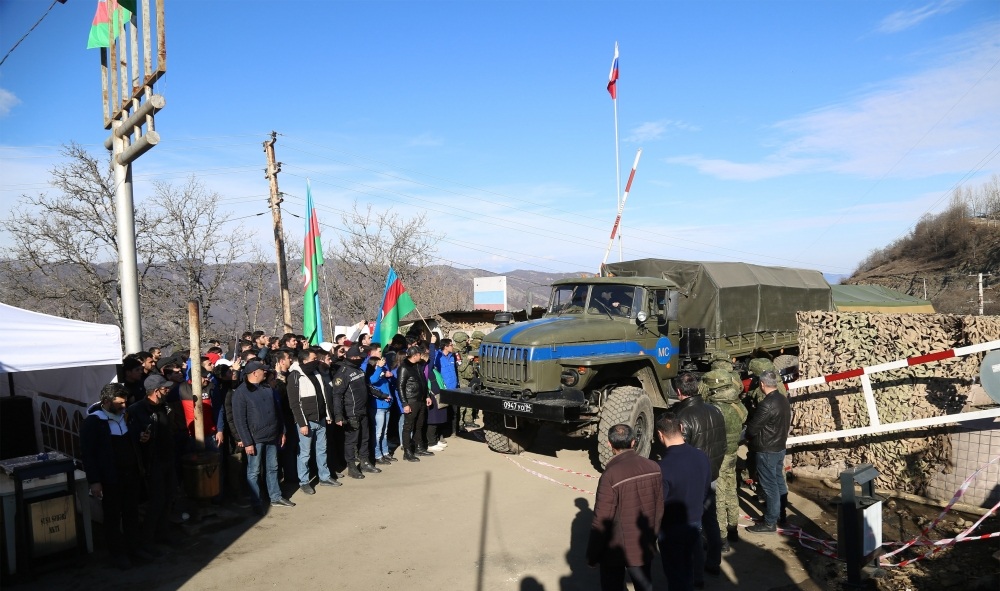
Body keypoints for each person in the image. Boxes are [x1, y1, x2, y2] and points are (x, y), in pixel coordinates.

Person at [81, 383, 152, 569]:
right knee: (113, 517)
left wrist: (142, 439)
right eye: (120, 402)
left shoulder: (126, 418)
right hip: (111, 478)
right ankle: (117, 554)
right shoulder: (93, 422)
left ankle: (134, 548)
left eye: (125, 402)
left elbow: (134, 439)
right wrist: (95, 481)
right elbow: (88, 454)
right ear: (106, 402)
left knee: (131, 513)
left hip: (131, 474)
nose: (124, 406)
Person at [586, 424, 663, 591]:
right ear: (633, 442)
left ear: (609, 444)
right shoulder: (654, 468)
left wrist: (593, 556)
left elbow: (601, 520)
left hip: (615, 550)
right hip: (643, 545)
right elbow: (659, 509)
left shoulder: (610, 476)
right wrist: (652, 537)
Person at [668, 372, 727, 583]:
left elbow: (680, 452)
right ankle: (714, 561)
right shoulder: (715, 410)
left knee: (692, 524)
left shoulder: (682, 418)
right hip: (713, 473)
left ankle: (695, 572)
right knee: (711, 520)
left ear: (678, 391)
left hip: (694, 477)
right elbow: (723, 444)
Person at [655, 414, 712, 591]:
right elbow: (706, 489)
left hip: (672, 528)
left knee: (676, 574)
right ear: (681, 428)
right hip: (695, 521)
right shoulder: (701, 456)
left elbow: (659, 504)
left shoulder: (663, 467)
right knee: (688, 564)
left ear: (660, 435)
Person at [231, 360, 294, 514]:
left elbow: (277, 412)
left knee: (273, 467)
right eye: (263, 370)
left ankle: (275, 496)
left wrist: (282, 431)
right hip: (255, 439)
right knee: (254, 471)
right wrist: (247, 442)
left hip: (272, 435)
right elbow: (240, 420)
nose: (265, 372)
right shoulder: (241, 392)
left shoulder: (267, 388)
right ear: (254, 373)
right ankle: (256, 502)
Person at [127, 374, 177, 552]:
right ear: (156, 391)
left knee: (169, 498)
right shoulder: (136, 410)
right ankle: (147, 541)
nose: (168, 390)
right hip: (151, 462)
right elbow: (130, 437)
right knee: (156, 501)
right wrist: (141, 437)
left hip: (168, 459)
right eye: (165, 388)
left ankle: (163, 533)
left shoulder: (165, 406)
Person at [702, 369, 748, 551]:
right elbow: (744, 418)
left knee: (719, 496)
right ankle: (733, 528)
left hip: (720, 456)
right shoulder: (736, 404)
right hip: (732, 453)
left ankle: (722, 539)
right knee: (731, 489)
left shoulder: (716, 408)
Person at [286, 349, 341, 493]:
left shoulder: (317, 374)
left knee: (322, 450)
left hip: (321, 419)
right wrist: (302, 423)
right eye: (313, 358)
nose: (317, 361)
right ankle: (304, 481)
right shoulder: (295, 377)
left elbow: (323, 396)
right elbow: (295, 403)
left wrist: (328, 415)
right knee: (305, 453)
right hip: (307, 422)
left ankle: (324, 477)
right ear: (304, 361)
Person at [745, 370, 791, 533]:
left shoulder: (767, 404)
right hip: (779, 447)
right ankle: (781, 516)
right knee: (779, 482)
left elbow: (752, 429)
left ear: (762, 384)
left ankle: (770, 522)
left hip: (766, 450)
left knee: (770, 486)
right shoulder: (783, 399)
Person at [331, 345, 381, 478]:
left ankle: (364, 462)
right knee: (351, 441)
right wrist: (338, 415)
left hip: (363, 410)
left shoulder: (359, 370)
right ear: (353, 358)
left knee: (365, 438)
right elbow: (337, 395)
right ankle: (352, 467)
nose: (361, 360)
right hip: (351, 412)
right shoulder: (342, 373)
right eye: (359, 357)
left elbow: (367, 387)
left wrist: (381, 395)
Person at [398, 345, 433, 461]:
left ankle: (419, 447)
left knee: (419, 425)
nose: (421, 356)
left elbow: (423, 381)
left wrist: (427, 395)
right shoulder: (404, 368)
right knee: (408, 426)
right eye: (419, 354)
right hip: (411, 399)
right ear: (414, 356)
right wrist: (405, 403)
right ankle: (407, 451)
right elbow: (400, 386)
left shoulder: (418, 365)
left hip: (421, 398)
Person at [368, 351, 396, 465]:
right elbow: (373, 380)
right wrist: (379, 368)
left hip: (386, 406)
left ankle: (385, 452)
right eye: (379, 364)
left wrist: (384, 371)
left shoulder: (382, 374)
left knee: (384, 431)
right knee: (378, 433)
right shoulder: (373, 376)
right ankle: (377, 454)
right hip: (378, 407)